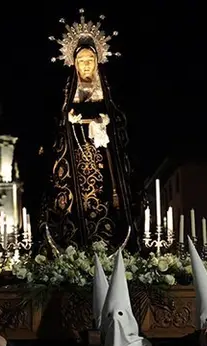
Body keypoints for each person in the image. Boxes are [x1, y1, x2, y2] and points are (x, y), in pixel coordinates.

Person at [40, 12, 140, 251]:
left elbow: (120, 119)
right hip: (74, 159)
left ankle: (109, 241)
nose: (86, 64)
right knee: (75, 201)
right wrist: (68, 120)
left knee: (106, 196)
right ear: (74, 64)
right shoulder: (67, 93)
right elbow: (55, 124)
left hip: (104, 160)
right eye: (82, 60)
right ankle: (75, 241)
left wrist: (107, 120)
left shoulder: (107, 91)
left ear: (97, 62)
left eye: (90, 60)